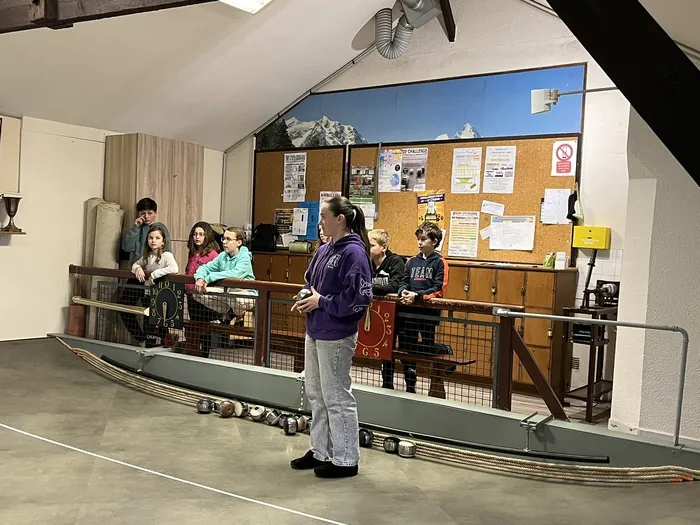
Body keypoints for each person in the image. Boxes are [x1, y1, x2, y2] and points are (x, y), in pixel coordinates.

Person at [290, 196, 372, 479]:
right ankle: (321, 450)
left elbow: (359, 299)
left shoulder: (355, 253)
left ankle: (347, 458)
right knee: (316, 391)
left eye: (324, 216)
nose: (320, 221)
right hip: (315, 329)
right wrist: (304, 298)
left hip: (336, 333)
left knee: (336, 395)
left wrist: (321, 302)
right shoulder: (325, 249)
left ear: (340, 219)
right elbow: (311, 283)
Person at [391, 221, 450, 393]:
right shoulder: (410, 262)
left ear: (434, 241)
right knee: (407, 348)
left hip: (427, 312)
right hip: (408, 312)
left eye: (423, 239)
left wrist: (418, 296)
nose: (419, 242)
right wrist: (403, 292)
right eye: (418, 239)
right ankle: (410, 384)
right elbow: (403, 281)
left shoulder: (440, 262)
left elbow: (438, 288)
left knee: (426, 347)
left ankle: (444, 351)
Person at [122, 225, 179, 347]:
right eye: (151, 238)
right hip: (147, 293)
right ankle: (147, 342)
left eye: (157, 238)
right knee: (148, 323)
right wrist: (137, 268)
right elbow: (136, 264)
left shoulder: (166, 255)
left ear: (163, 242)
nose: (153, 240)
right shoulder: (147, 256)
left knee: (159, 323)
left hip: (161, 294)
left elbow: (174, 268)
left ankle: (164, 344)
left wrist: (154, 274)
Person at [368, 229, 406, 390]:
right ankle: (387, 383)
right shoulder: (367, 262)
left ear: (383, 247)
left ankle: (410, 385)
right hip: (377, 312)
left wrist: (369, 285)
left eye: (371, 245)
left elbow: (394, 285)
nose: (367, 248)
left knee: (404, 349)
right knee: (385, 348)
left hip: (398, 312)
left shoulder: (395, 261)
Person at [194, 227, 257, 322]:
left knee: (235, 298)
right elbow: (205, 267)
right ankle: (227, 313)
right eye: (223, 238)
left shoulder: (245, 257)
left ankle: (238, 315)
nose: (224, 242)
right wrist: (200, 278)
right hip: (227, 292)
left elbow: (236, 274)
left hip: (246, 293)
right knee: (197, 293)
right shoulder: (223, 256)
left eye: (228, 239)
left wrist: (209, 278)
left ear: (239, 243)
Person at [184, 222, 221, 358]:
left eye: (201, 234)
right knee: (194, 327)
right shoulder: (192, 253)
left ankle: (205, 355)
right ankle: (195, 354)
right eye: (195, 234)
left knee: (205, 330)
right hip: (191, 296)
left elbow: (215, 275)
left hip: (204, 298)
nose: (197, 237)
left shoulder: (213, 255)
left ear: (207, 236)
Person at [121, 198, 171, 265]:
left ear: (155, 213)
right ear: (139, 213)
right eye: (143, 213)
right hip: (136, 268)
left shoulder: (160, 228)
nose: (146, 216)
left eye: (150, 213)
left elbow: (167, 250)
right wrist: (135, 227)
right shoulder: (136, 229)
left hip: (155, 268)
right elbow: (127, 248)